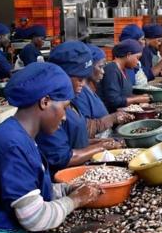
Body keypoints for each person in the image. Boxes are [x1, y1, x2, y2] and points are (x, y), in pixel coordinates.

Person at [0, 62, 102, 233]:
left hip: (2, 230)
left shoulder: (20, 134)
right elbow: (34, 219)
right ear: (45, 102)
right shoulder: (14, 145)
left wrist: (66, 189)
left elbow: (29, 189)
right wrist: (75, 200)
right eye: (64, 107)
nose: (64, 117)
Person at [37, 42, 121, 173]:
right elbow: (61, 157)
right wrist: (101, 147)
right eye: (79, 79)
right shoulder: (51, 109)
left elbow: (75, 140)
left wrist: (101, 143)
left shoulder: (71, 101)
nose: (83, 84)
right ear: (63, 76)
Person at [74, 44, 131, 137]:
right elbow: (84, 130)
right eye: (100, 67)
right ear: (88, 67)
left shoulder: (90, 89)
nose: (103, 71)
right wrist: (112, 118)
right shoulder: (80, 93)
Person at [100, 40, 151, 112]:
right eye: (137, 58)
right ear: (128, 55)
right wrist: (137, 99)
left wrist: (140, 97)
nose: (137, 62)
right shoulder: (112, 71)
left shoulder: (123, 69)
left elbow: (123, 95)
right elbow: (114, 100)